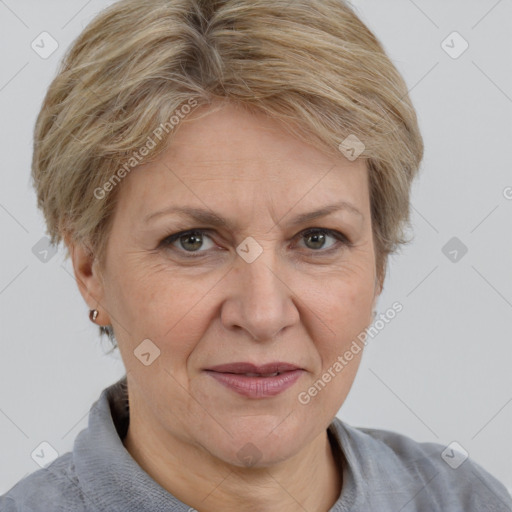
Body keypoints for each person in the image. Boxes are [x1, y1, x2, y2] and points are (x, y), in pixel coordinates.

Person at [1, 0, 511, 510]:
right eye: (193, 241)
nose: (263, 315)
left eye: (317, 239)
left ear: (378, 264)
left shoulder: (464, 499)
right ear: (90, 269)